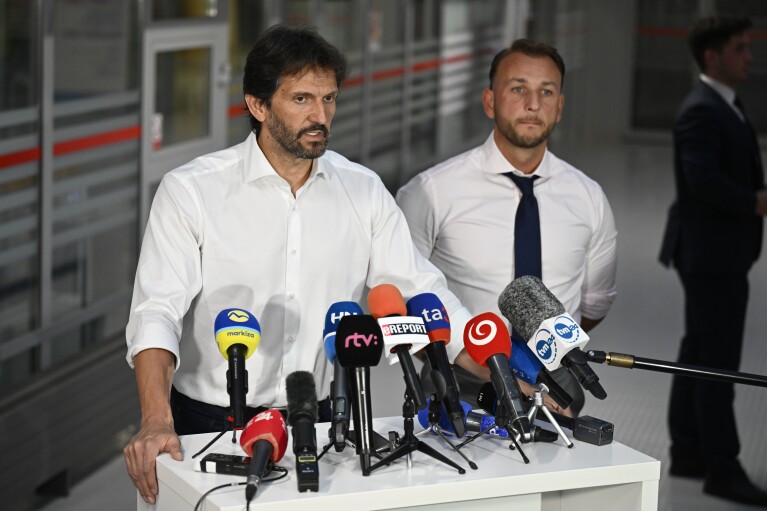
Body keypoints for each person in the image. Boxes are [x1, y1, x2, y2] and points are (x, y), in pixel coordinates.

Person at [122, 25, 480, 505]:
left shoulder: (364, 191)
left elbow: (420, 292)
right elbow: (156, 313)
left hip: (325, 419)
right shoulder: (191, 191)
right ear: (258, 105)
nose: (320, 116)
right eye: (302, 99)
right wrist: (155, 419)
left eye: (329, 99)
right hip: (213, 420)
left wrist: (502, 370)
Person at [397, 39, 617, 417]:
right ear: (489, 101)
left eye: (546, 92)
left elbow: (594, 301)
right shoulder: (430, 192)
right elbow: (404, 300)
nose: (533, 104)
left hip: (559, 393)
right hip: (464, 391)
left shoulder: (589, 198)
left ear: (560, 107)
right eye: (518, 89)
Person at [659, 16, 767, 506]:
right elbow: (701, 180)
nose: (749, 57)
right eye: (740, 49)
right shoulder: (700, 110)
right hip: (712, 256)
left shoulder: (722, 102)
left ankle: (687, 450)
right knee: (718, 363)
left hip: (714, 252)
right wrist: (754, 201)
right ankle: (722, 467)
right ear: (713, 57)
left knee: (698, 351)